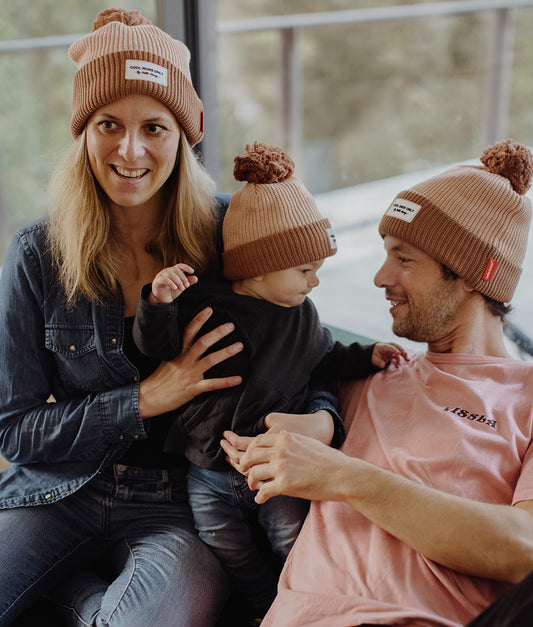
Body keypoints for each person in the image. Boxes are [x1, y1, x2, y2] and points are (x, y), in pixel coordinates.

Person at [0, 9, 340, 627]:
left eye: (154, 127)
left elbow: (303, 341)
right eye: (109, 124)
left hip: (182, 506)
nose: (130, 151)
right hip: (61, 491)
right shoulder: (36, 254)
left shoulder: (232, 232)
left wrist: (322, 418)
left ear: (186, 134)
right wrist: (147, 397)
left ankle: (75, 594)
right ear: (83, 132)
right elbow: (13, 432)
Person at [221, 139, 533, 626]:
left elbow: (523, 549)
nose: (380, 276)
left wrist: (343, 476)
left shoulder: (528, 398)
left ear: (472, 273)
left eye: (404, 259)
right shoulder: (367, 373)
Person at [133, 141, 405, 616]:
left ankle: (296, 603)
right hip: (209, 469)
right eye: (304, 270)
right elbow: (156, 348)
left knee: (291, 538)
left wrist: (369, 355)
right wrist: (157, 302)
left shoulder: (302, 318)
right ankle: (261, 604)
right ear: (259, 265)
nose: (313, 282)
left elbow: (329, 359)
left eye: (316, 271)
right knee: (222, 541)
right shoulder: (206, 305)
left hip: (277, 469)